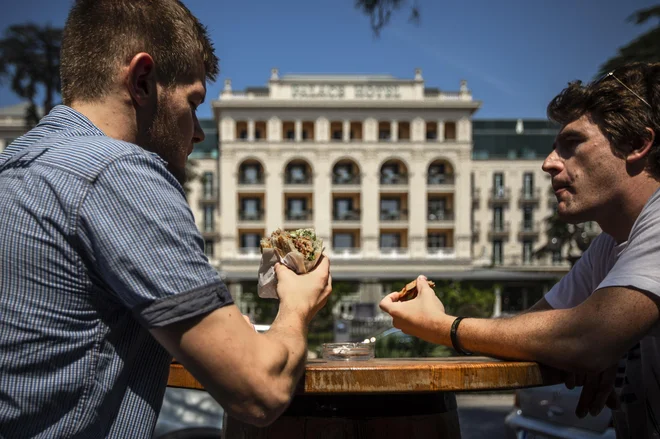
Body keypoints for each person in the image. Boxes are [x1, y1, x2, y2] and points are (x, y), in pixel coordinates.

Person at [0, 1, 332, 438]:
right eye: (193, 102)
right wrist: (298, 303)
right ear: (141, 80)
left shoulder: (17, 163)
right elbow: (261, 390)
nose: (196, 130)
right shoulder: (118, 173)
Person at [380, 62, 660, 439]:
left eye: (572, 144)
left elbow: (585, 337)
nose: (548, 163)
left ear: (638, 145)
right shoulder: (610, 244)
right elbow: (534, 329)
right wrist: (592, 344)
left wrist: (444, 327)